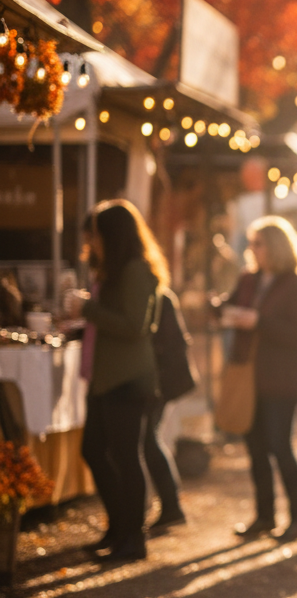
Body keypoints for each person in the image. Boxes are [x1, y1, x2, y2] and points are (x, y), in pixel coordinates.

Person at [69, 200, 165, 562]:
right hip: (104, 379)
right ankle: (119, 526)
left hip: (128, 379)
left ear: (112, 235)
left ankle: (132, 537)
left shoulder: (135, 271)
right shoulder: (109, 271)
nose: (91, 242)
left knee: (126, 457)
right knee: (93, 449)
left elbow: (134, 326)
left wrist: (88, 310)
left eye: (95, 234)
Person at [223, 217, 297, 543]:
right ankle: (264, 517)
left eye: (258, 243)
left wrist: (258, 322)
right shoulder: (249, 279)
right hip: (248, 377)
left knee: (280, 447)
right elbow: (230, 305)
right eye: (252, 243)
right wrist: (220, 308)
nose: (253, 250)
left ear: (275, 246)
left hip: (281, 380)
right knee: (256, 448)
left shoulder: (296, 284)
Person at [145, 287, 197, 532]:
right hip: (158, 381)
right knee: (150, 439)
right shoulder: (161, 296)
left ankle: (171, 505)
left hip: (158, 382)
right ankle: (170, 505)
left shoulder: (159, 298)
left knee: (149, 439)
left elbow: (171, 347)